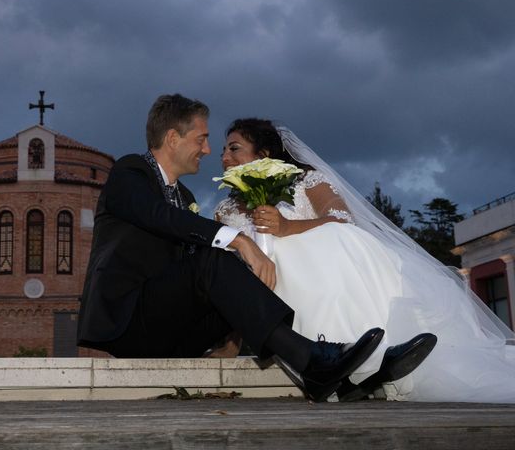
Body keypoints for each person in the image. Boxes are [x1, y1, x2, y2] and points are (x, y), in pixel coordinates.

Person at [77, 94, 394, 402]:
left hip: (173, 330)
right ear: (173, 138)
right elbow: (158, 216)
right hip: (128, 323)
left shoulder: (186, 196)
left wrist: (229, 339)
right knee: (216, 257)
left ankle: (345, 376)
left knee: (234, 268)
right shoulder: (130, 172)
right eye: (201, 139)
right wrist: (238, 239)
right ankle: (312, 360)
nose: (208, 149)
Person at [216, 118, 515, 403]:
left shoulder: (306, 180)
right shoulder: (224, 210)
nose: (224, 156)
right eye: (222, 150)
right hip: (268, 287)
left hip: (327, 263)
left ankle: (364, 354)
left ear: (265, 154)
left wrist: (287, 228)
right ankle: (351, 361)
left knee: (336, 237)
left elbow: (342, 217)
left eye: (234, 147)